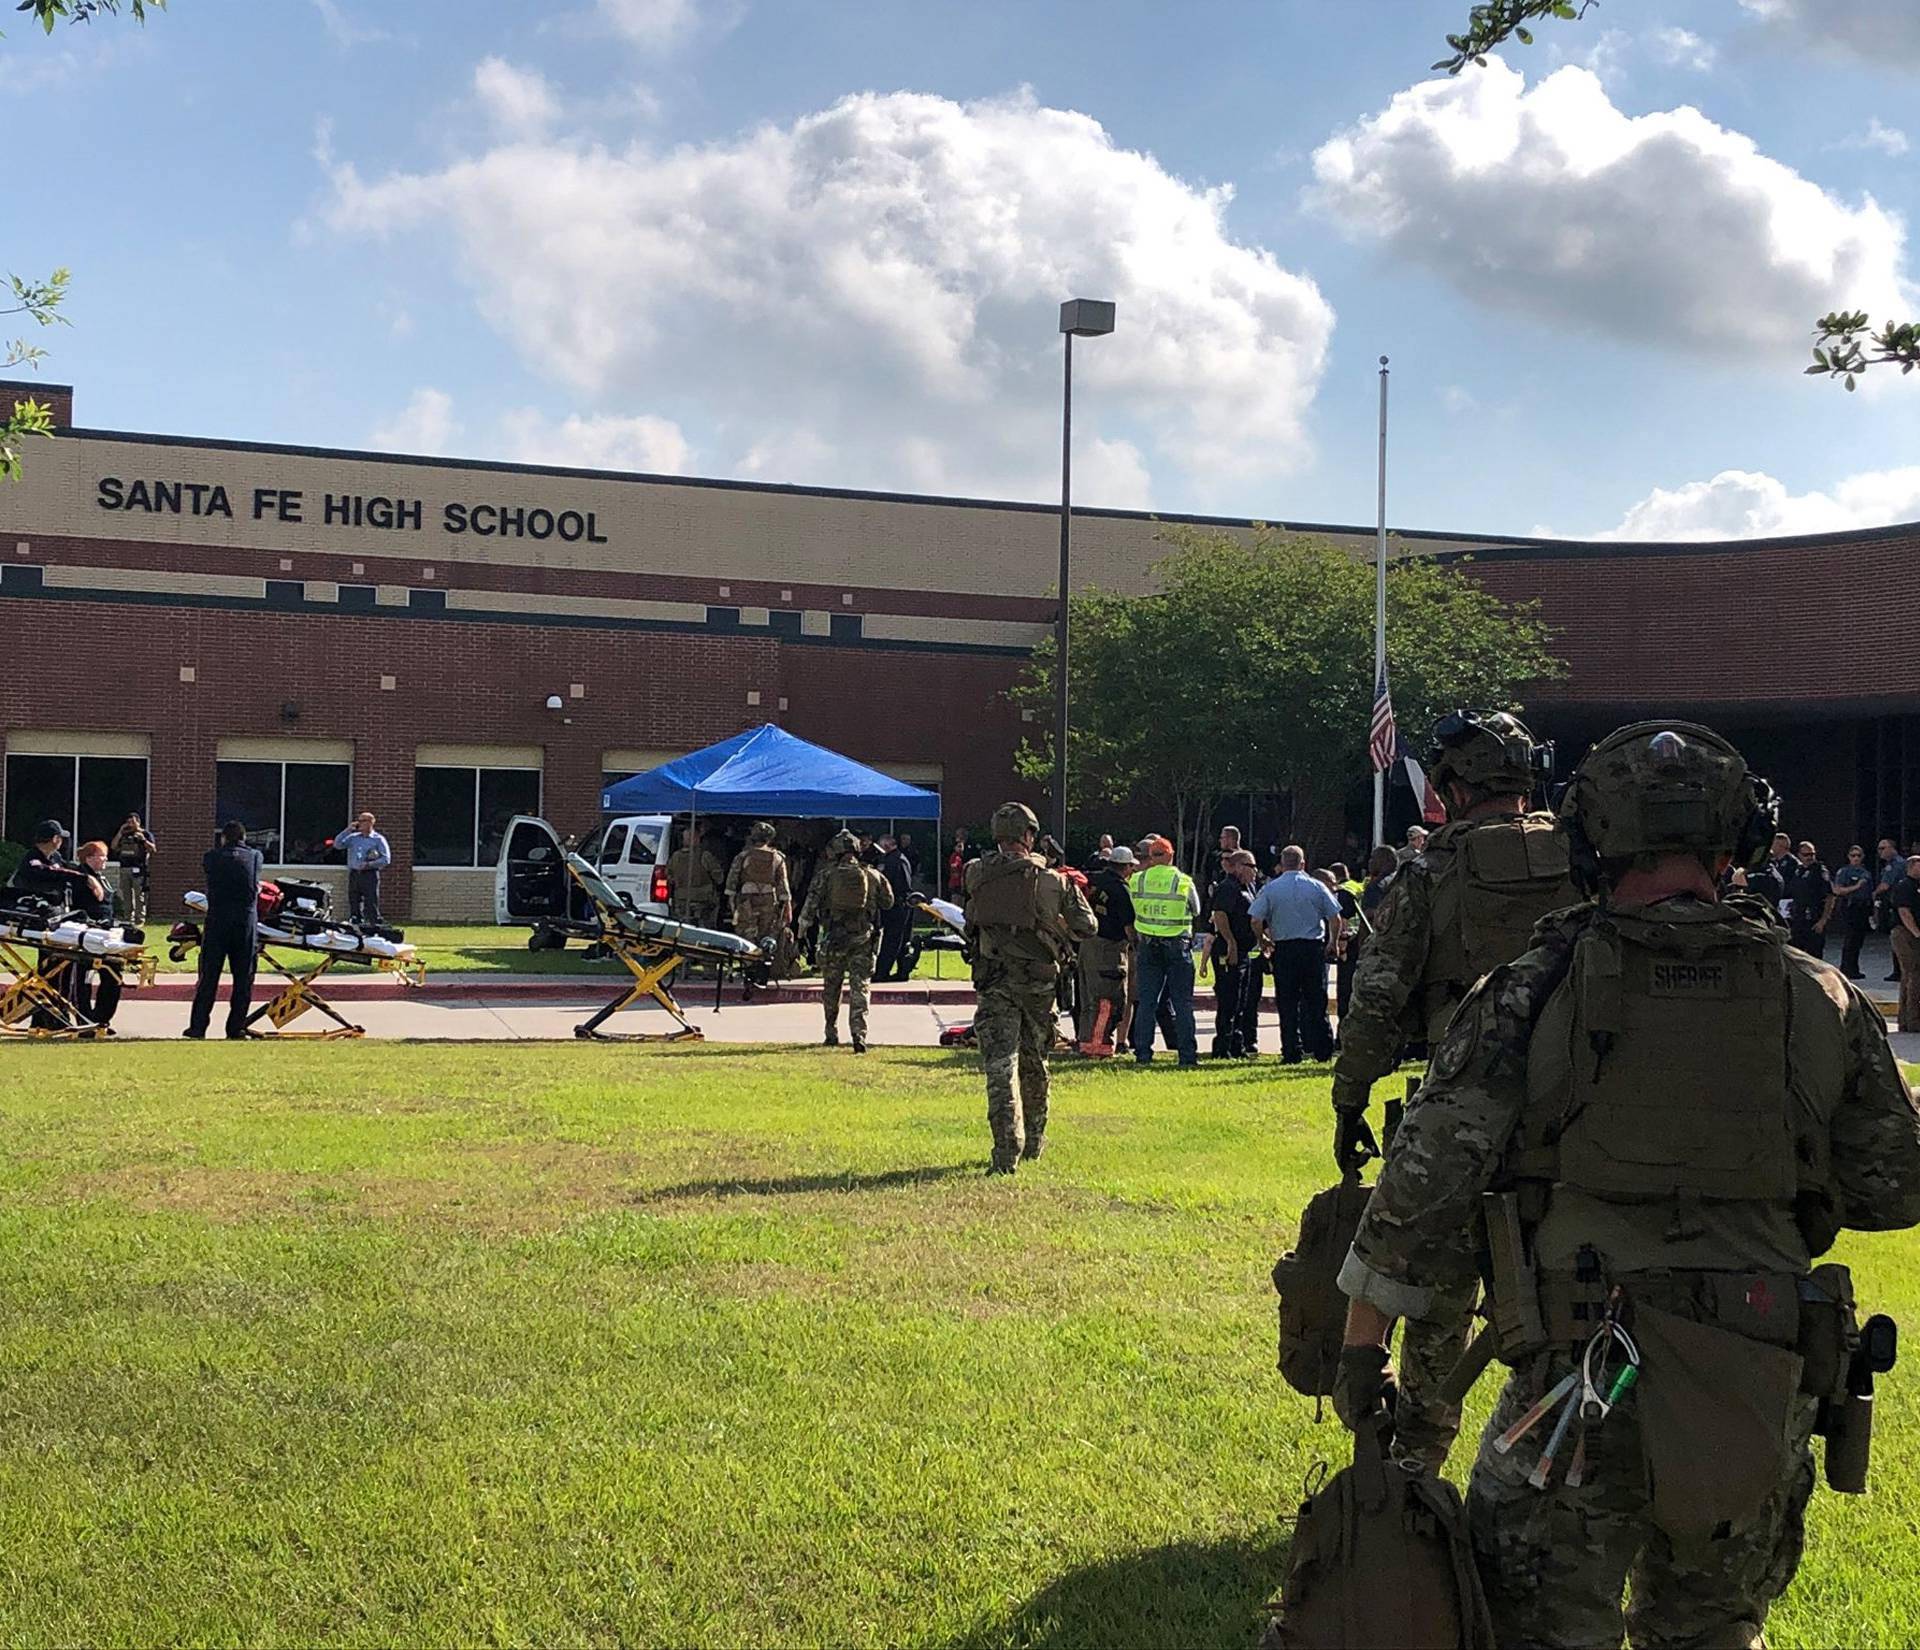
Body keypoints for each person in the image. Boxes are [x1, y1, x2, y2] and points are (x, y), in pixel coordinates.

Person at [1332, 721, 1920, 1648]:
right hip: (1759, 1369)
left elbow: (1421, 1190)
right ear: (1738, 845)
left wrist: (1364, 1353)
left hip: (1577, 1379)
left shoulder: (1531, 989)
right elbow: (1891, 1188)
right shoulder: (1820, 995)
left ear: (1589, 840)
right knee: (1715, 1628)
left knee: (1540, 1627)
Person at [1328, 711, 1575, 1468]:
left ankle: (1417, 1465)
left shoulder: (1431, 872)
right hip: (1576, 1110)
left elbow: (1376, 998)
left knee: (1437, 1292)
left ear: (1452, 788)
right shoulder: (1585, 862)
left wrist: (1350, 1097)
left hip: (1462, 1104)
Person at [963, 802, 1095, 1172]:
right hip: (1038, 982)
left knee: (999, 1064)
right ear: (1029, 835)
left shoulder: (976, 873)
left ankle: (1006, 1149)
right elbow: (1088, 926)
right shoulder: (1053, 880)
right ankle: (1035, 1140)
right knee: (1035, 1060)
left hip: (993, 980)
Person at [796, 829, 892, 1052]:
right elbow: (888, 902)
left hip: (834, 939)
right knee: (861, 987)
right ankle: (859, 1034)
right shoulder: (872, 875)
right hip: (863, 938)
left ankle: (831, 1031)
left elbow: (809, 907)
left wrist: (801, 933)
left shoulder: (825, 876)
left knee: (832, 987)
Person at [1249, 844, 1340, 1064]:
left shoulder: (1271, 888)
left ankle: (1291, 1051)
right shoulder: (1316, 886)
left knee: (1287, 1003)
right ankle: (1323, 1050)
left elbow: (1255, 919)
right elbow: (1335, 917)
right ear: (1303, 864)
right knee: (1316, 1001)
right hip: (1311, 949)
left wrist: (1262, 940)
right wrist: (1333, 942)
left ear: (1281, 864)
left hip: (1285, 950)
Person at [185, 819, 263, 1041]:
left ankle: (198, 1027)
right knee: (243, 978)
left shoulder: (211, 857)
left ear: (223, 838)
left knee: (209, 977)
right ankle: (236, 1028)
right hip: (245, 922)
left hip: (218, 920)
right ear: (244, 837)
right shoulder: (255, 857)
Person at [1127, 836, 1200, 1067]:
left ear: (1150, 857)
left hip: (1147, 945)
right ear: (1170, 855)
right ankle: (1187, 1056)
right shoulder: (1183, 881)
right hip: (1177, 944)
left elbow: (1132, 907)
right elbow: (1196, 910)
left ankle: (1143, 1054)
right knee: (1182, 1002)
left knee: (1147, 1002)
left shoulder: (1137, 880)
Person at [1078, 844, 1135, 1053]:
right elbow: (1129, 927)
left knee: (1087, 998)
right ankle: (1099, 1045)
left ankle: (1085, 1042)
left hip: (1087, 944)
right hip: (1109, 948)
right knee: (1107, 999)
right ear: (1126, 867)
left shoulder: (1093, 879)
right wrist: (1136, 947)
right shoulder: (1121, 889)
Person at [726, 822, 792, 991]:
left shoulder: (742, 856)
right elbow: (783, 886)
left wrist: (733, 907)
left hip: (746, 901)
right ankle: (762, 975)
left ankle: (749, 974)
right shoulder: (778, 858)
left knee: (747, 937)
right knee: (766, 937)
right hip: (769, 901)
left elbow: (731, 884)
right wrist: (786, 907)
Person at [66, 840, 125, 1030]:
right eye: (101, 855)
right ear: (89, 858)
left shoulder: (102, 878)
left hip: (107, 934)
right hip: (87, 934)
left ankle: (102, 1018)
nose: (105, 859)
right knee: (84, 978)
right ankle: (85, 1020)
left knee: (113, 974)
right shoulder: (80, 876)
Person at [1209, 848, 1262, 1057]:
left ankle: (1236, 1044)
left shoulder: (1248, 888)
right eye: (1251, 866)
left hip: (1244, 952)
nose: (1255, 871)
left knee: (1241, 1000)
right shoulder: (1228, 887)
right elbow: (1220, 915)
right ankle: (1222, 1046)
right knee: (1228, 999)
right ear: (1239, 866)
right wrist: (1230, 942)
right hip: (1228, 950)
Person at [335, 811, 392, 927]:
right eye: (359, 820)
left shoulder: (378, 839)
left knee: (370, 900)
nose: (359, 823)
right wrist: (348, 830)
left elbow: (386, 859)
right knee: (354, 899)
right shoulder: (353, 838)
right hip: (355, 873)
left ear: (371, 823)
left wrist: (369, 864)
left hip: (369, 873)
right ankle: (355, 920)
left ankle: (372, 923)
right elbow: (337, 844)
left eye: (362, 821)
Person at [1783, 839, 1835, 958]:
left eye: (1812, 854)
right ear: (1799, 855)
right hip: (1798, 920)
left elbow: (1830, 896)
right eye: (1806, 855)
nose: (1810, 857)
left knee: (1815, 957)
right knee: (1796, 956)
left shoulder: (1819, 871)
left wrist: (1823, 921)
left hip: (1813, 920)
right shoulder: (1798, 871)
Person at [874, 834, 916, 981]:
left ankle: (883, 972)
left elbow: (903, 885)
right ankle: (893, 972)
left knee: (893, 940)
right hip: (891, 906)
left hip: (898, 906)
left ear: (886, 845)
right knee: (895, 939)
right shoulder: (891, 859)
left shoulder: (898, 860)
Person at [666, 826, 726, 926]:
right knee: (705, 929)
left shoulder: (675, 857)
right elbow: (719, 878)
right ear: (696, 839)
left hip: (681, 900)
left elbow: (669, 876)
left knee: (683, 928)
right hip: (703, 900)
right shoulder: (705, 855)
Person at [1831, 843, 1874, 980]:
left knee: (1858, 940)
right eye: (1853, 855)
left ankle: (1854, 968)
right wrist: (1856, 886)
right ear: (1848, 857)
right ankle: (1846, 968)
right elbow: (1838, 890)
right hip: (1850, 906)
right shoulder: (1845, 872)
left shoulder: (1865, 873)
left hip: (1863, 908)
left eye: (1859, 856)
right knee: (1851, 939)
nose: (1856, 858)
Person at [109, 813, 156, 925]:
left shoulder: (145, 834)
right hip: (125, 868)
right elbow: (113, 846)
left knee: (139, 895)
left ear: (138, 822)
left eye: (132, 822)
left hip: (138, 869)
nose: (130, 825)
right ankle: (127, 918)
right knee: (126, 895)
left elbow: (153, 849)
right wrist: (120, 832)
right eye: (128, 822)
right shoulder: (124, 835)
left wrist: (143, 840)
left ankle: (140, 919)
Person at [1891, 854, 1920, 1033]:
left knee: (1910, 976)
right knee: (1913, 974)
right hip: (1905, 933)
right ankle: (1912, 1020)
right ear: (1912, 866)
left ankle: (1906, 1020)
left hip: (1914, 933)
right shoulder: (1904, 886)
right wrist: (1917, 933)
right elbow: (1904, 913)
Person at [1875, 837, 1905, 980]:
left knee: (1897, 938)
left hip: (1896, 906)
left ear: (1892, 849)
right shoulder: (1894, 864)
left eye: (1883, 848)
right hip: (1896, 905)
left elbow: (1885, 885)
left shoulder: (1895, 865)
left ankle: (1898, 972)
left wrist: (1873, 894)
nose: (1880, 852)